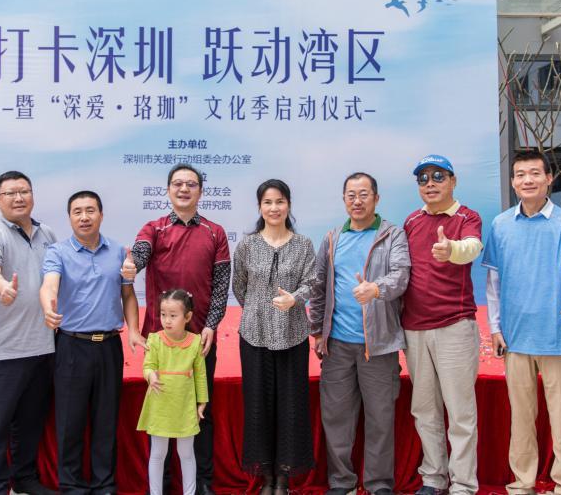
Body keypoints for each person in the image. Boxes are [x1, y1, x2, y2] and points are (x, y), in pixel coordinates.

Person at [122, 163, 230, 495]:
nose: (184, 189)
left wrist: (211, 325)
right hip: (161, 341)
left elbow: (221, 286)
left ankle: (202, 483)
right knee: (162, 412)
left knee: (201, 410)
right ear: (168, 190)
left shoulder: (215, 232)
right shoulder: (154, 228)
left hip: (200, 341)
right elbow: (141, 253)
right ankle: (163, 484)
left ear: (201, 191)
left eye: (191, 184)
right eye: (178, 184)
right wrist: (132, 265)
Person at [483, 149, 561, 495]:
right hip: (515, 337)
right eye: (520, 174)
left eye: (534, 173)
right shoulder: (500, 225)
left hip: (555, 333)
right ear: (513, 182)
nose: (527, 180)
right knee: (521, 418)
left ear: (548, 179)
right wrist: (495, 328)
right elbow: (494, 282)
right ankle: (522, 483)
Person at [309, 172, 410, 495]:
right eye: (351, 195)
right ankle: (342, 482)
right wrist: (317, 332)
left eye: (364, 194)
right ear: (343, 200)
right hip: (337, 345)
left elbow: (401, 276)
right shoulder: (332, 238)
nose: (357, 201)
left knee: (380, 418)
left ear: (376, 199)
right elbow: (319, 287)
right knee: (336, 417)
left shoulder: (392, 235)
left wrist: (376, 289)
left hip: (378, 346)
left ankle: (379, 484)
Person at [41, 190, 142, 495]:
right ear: (69, 217)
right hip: (72, 346)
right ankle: (71, 486)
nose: (84, 217)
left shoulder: (118, 252)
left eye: (90, 210)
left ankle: (104, 485)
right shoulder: (57, 252)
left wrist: (134, 330)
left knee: (106, 420)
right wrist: (48, 307)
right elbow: (49, 285)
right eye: (77, 212)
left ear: (101, 214)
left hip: (109, 346)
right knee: (70, 422)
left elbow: (128, 294)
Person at [401, 155, 484, 495]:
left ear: (453, 181)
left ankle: (463, 484)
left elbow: (472, 247)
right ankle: (433, 478)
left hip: (455, 326)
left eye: (438, 176)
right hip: (414, 329)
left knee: (460, 412)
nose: (430, 184)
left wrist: (451, 249)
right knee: (424, 410)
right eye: (423, 178)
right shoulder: (411, 221)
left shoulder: (467, 217)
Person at [0, 171, 59, 495]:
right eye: (10, 193)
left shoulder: (47, 233)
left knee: (31, 422)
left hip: (44, 346)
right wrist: (2, 288)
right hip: (7, 350)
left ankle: (25, 479)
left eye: (24, 191)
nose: (18, 197)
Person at [231, 179, 316, 493]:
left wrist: (295, 299)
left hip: (293, 335)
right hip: (254, 337)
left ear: (288, 205)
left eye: (279, 201)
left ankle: (284, 477)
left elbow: (312, 282)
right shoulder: (247, 245)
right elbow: (240, 287)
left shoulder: (303, 244)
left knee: (291, 406)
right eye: (267, 202)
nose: (274, 208)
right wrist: (258, 311)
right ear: (259, 207)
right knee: (258, 406)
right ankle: (265, 475)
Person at [137, 290, 210, 495]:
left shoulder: (195, 342)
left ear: (187, 316)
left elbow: (200, 375)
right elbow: (148, 366)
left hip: (184, 407)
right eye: (163, 314)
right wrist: (150, 376)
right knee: (158, 453)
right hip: (160, 405)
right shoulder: (154, 340)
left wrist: (202, 402)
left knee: (186, 453)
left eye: (173, 315)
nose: (167, 320)